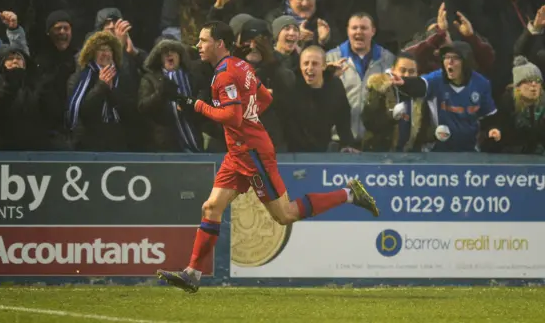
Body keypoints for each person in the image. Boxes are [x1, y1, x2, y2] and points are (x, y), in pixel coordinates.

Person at [156, 21, 380, 293]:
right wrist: (250, 120)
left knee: (284, 215)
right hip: (239, 151)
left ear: (219, 44)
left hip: (252, 153)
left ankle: (349, 194)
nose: (198, 46)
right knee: (211, 207)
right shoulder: (242, 66)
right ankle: (193, 273)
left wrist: (198, 105)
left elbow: (231, 116)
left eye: (203, 41)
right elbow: (264, 99)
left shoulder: (225, 75)